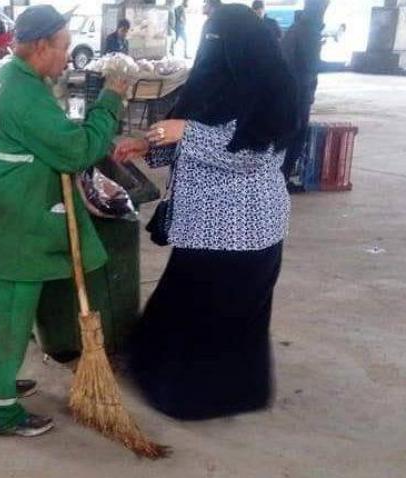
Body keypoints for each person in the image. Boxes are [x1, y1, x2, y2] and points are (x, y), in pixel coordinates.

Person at [113, 4, 297, 420]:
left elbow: (253, 154)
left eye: (218, 40)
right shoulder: (213, 81)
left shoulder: (273, 90)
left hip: (245, 229)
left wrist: (187, 132)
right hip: (201, 225)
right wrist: (149, 142)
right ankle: (158, 373)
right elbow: (183, 125)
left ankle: (200, 398)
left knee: (218, 319)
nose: (210, 47)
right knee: (184, 306)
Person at [0, 5, 127, 438]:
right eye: (64, 48)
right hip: (11, 234)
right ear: (39, 47)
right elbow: (75, 152)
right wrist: (111, 100)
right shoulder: (25, 96)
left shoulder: (7, 79)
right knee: (8, 323)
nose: (68, 57)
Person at [280, 0, 329, 181]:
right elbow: (312, 65)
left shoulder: (297, 27)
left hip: (289, 91)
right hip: (298, 92)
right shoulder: (309, 31)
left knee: (288, 136)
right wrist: (342, 66)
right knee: (296, 137)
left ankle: (281, 177)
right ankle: (283, 179)